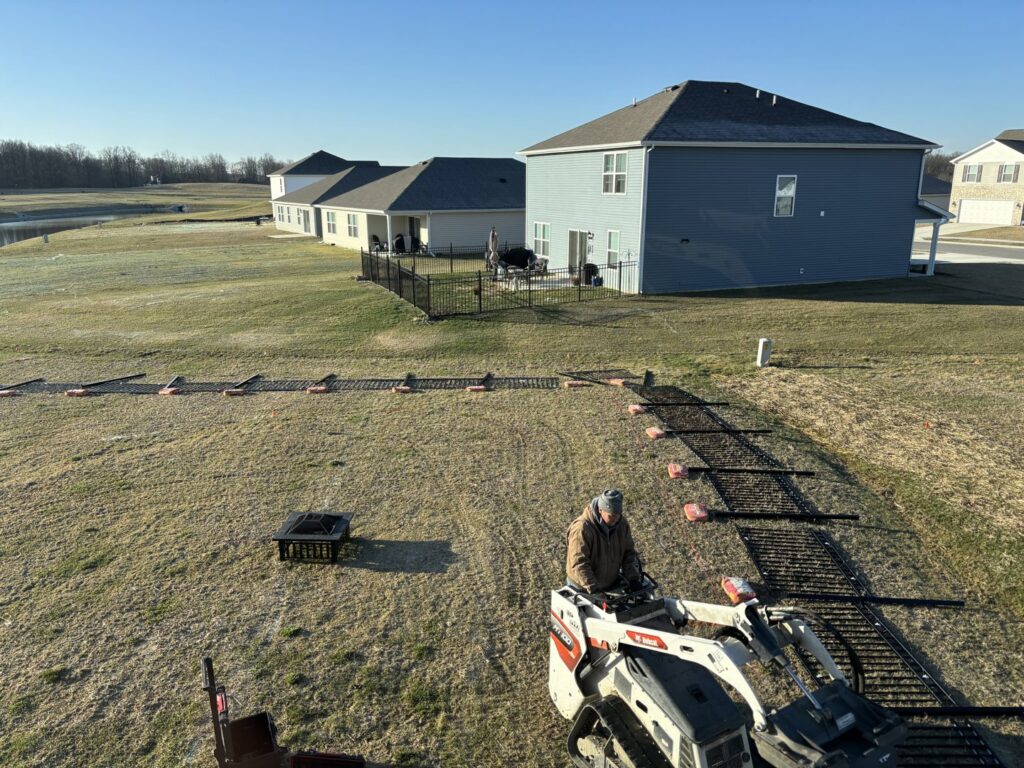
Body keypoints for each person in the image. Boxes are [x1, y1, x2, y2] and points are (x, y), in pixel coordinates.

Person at [566, 489, 643, 594]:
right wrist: (594, 588)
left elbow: (628, 553)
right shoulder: (582, 529)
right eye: (612, 516)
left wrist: (633, 578)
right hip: (583, 589)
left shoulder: (622, 525)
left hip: (609, 586)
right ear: (600, 510)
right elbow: (578, 563)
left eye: (618, 515)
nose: (616, 519)